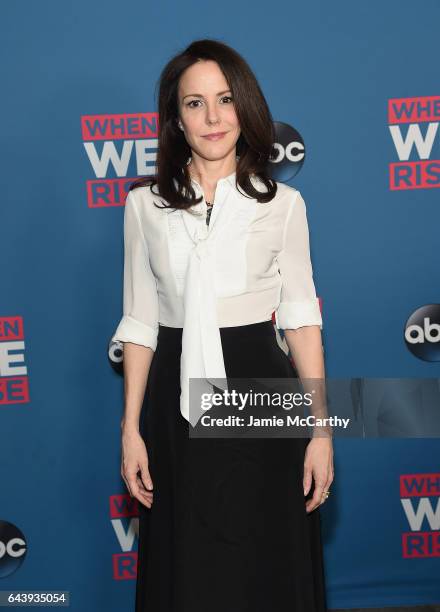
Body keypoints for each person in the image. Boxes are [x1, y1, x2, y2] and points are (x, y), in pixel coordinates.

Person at [111, 38, 334, 612]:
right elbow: (140, 322)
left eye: (225, 99)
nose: (213, 117)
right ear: (175, 119)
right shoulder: (144, 207)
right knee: (189, 560)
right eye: (194, 103)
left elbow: (302, 321)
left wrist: (321, 431)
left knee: (267, 557)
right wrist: (131, 429)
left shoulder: (283, 205)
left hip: (262, 388)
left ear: (246, 108)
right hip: (175, 398)